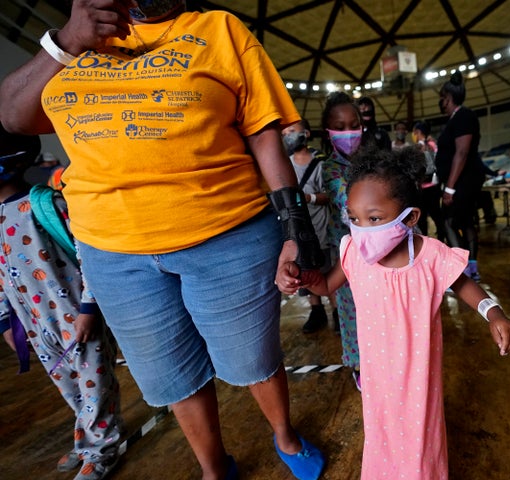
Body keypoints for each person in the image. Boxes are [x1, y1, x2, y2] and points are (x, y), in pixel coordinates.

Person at [0, 2, 326, 479]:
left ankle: (285, 435)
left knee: (252, 356)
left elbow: (262, 131)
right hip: (113, 252)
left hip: (226, 233)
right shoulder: (75, 43)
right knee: (172, 375)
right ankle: (215, 470)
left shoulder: (217, 29)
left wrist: (295, 226)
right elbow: (12, 115)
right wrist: (68, 39)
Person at [277, 146, 510, 479]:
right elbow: (325, 286)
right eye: (355, 218)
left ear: (410, 218)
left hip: (419, 375)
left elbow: (462, 284)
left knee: (421, 438)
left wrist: (494, 313)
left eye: (375, 218)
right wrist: (301, 277)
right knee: (382, 432)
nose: (363, 229)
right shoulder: (352, 251)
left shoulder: (431, 255)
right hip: (377, 375)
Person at [0, 126, 123, 480]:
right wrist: (7, 322)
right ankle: (89, 442)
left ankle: (101, 452)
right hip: (35, 324)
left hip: (74, 315)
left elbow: (89, 255)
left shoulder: (46, 205)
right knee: (70, 386)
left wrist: (88, 308)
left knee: (94, 384)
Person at [319, 91, 362, 390]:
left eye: (354, 124)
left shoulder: (373, 161)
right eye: (341, 126)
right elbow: (347, 201)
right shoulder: (331, 168)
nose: (349, 132)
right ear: (329, 131)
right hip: (349, 253)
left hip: (381, 250)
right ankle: (358, 364)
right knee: (351, 309)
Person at [282, 118, 338, 333]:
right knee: (306, 269)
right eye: (285, 131)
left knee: (326, 270)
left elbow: (329, 195)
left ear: (305, 133)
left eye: (292, 130)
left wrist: (310, 198)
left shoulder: (320, 163)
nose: (288, 135)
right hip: (298, 227)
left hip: (321, 226)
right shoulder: (284, 163)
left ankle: (335, 311)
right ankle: (317, 311)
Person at [436, 72, 483, 281]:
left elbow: (461, 152)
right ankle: (472, 270)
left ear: (449, 97)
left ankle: (461, 272)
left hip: (462, 182)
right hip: (463, 180)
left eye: (442, 98)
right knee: (466, 223)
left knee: (449, 222)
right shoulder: (458, 118)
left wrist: (450, 188)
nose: (441, 102)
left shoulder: (464, 116)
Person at [412, 120, 445, 242]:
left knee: (425, 218)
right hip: (433, 186)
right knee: (436, 215)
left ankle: (426, 241)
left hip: (426, 187)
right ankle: (441, 238)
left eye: (414, 132)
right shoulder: (433, 144)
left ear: (418, 132)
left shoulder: (422, 146)